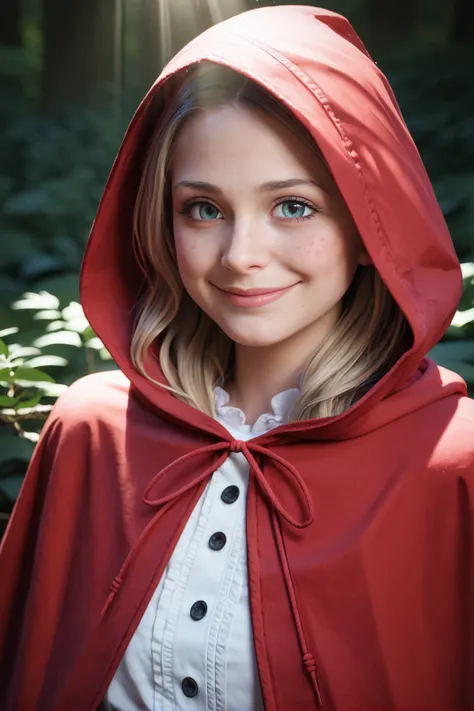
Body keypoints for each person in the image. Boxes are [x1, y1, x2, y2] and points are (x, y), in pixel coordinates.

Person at [0, 4, 473, 710]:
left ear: (370, 221)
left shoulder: (453, 462)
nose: (241, 256)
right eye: (203, 209)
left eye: (292, 206)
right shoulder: (90, 432)